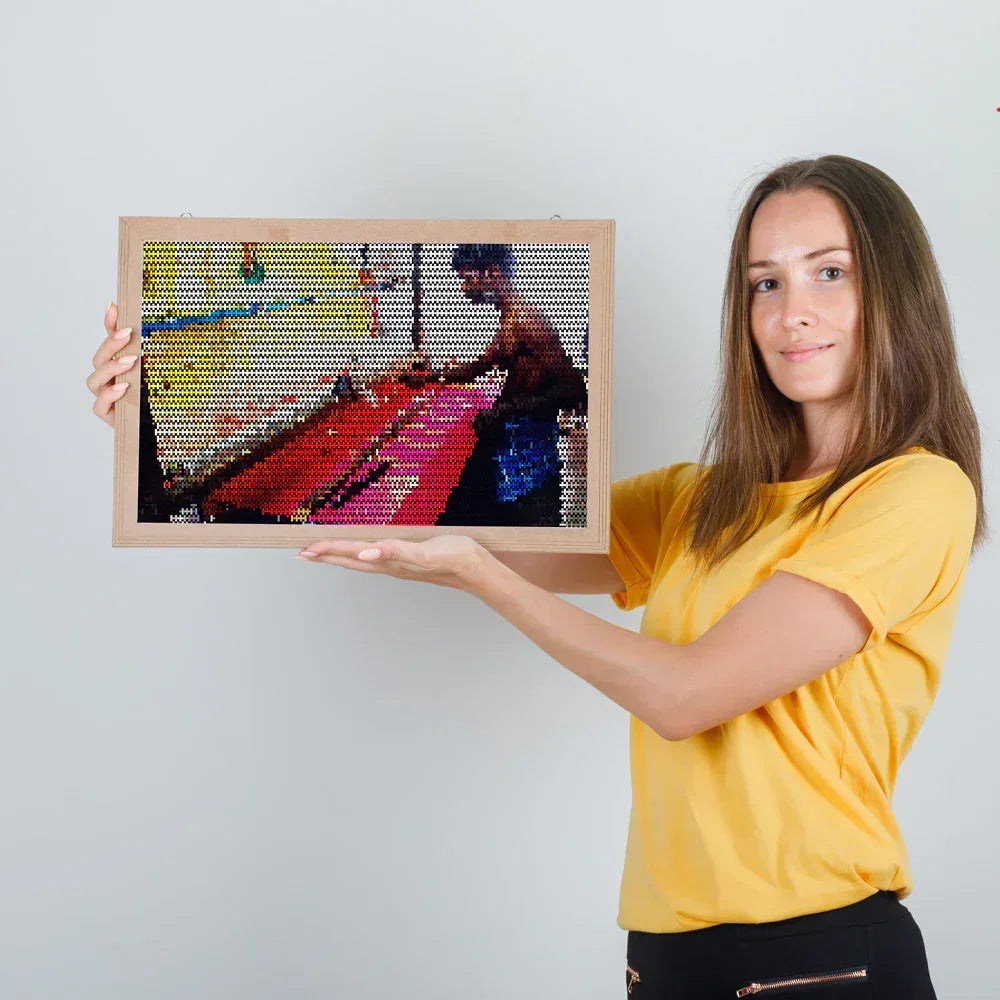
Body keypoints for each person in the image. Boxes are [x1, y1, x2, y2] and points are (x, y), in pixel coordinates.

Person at [87, 154, 985, 999]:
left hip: (819, 960)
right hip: (666, 956)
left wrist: (482, 575)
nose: (793, 310)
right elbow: (494, 545)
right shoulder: (706, 501)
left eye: (832, 272)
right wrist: (158, 434)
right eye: (765, 281)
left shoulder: (916, 493)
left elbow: (688, 694)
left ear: (896, 292)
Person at [400, 243, 588, 526]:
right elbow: (477, 367)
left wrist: (505, 409)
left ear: (491, 272)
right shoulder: (509, 320)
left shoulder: (527, 321)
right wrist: (428, 377)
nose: (464, 288)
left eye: (467, 278)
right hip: (514, 451)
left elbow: (573, 388)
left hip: (530, 462)